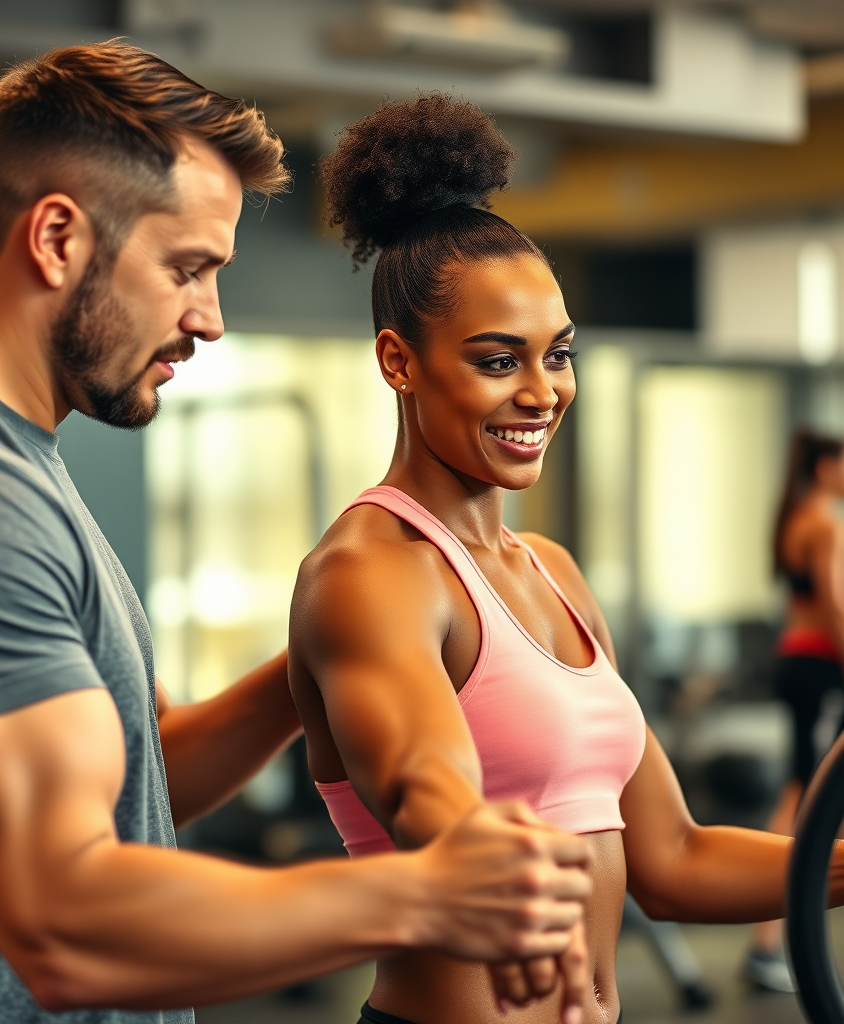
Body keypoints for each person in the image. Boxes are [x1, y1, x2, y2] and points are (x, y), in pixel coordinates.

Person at [0, 45, 596, 1024]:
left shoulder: (8, 462)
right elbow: (67, 922)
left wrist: (337, 649)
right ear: (57, 238)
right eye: (188, 269)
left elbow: (146, 775)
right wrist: (429, 891)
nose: (211, 319)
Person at [287, 94, 844, 1024]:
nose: (543, 391)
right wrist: (516, 909)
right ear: (399, 361)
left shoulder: (550, 570)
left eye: (559, 354)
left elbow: (673, 861)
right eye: (499, 360)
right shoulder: (370, 572)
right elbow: (431, 799)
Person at [743, 429, 844, 992]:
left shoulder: (795, 517)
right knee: (809, 799)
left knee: (803, 794)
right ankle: (766, 944)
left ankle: (766, 945)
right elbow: (835, 608)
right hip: (821, 668)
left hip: (798, 665)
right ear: (828, 467)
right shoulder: (826, 522)